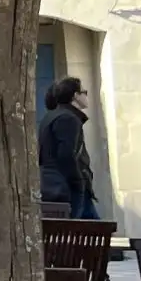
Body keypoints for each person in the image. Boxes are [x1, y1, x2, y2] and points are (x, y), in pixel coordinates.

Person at [39, 75, 98, 221]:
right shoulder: (69, 119)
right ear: (75, 96)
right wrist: (78, 182)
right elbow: (66, 154)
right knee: (80, 231)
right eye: (84, 92)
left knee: (91, 227)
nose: (86, 95)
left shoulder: (51, 117)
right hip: (67, 187)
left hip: (55, 185)